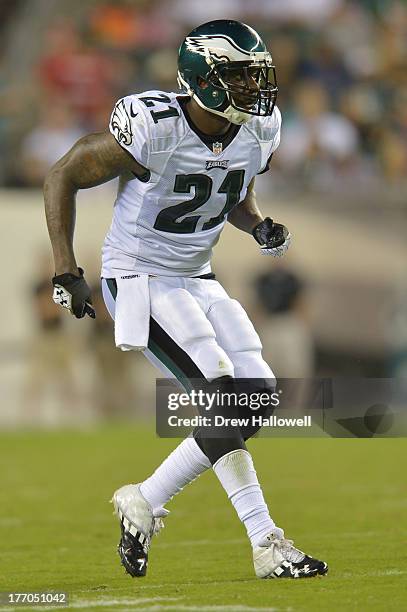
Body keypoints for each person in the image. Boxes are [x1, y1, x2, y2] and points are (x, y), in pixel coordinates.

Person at [44, 19, 327, 580]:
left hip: (198, 277)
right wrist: (65, 268)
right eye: (242, 78)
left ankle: (144, 500)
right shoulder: (155, 127)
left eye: (257, 77)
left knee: (259, 398)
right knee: (226, 399)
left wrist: (257, 224)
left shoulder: (257, 129)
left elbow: (234, 187)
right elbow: (64, 174)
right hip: (139, 278)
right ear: (206, 80)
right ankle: (266, 542)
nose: (256, 89)